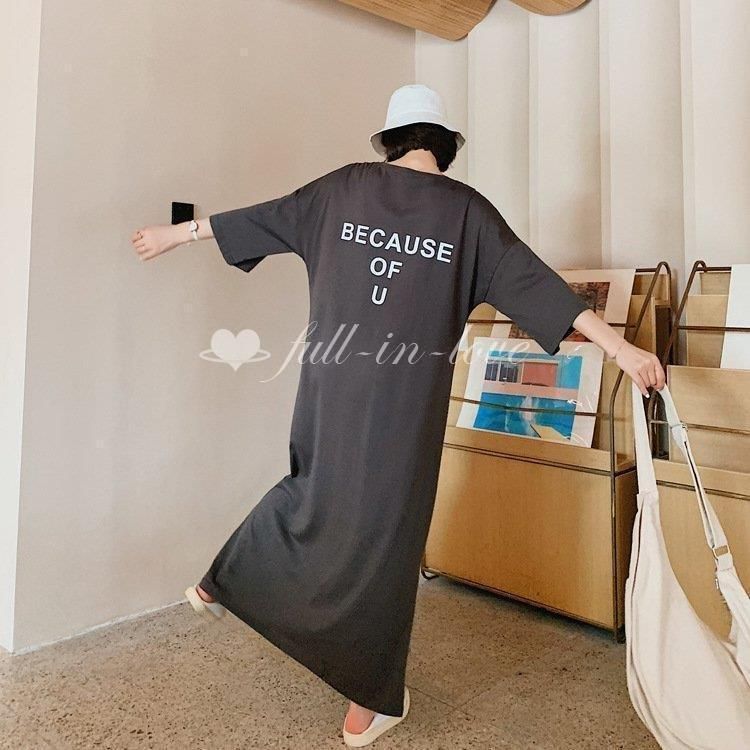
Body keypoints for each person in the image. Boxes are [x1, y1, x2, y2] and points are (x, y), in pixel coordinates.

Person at [130, 84, 665, 747]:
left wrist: (174, 234)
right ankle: (368, 704)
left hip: (332, 378)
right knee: (388, 534)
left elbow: (261, 218)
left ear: (390, 141)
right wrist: (621, 349)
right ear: (444, 145)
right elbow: (541, 288)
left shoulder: (342, 189)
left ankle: (222, 582)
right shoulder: (467, 213)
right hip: (405, 399)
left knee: (312, 485)